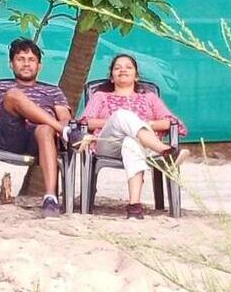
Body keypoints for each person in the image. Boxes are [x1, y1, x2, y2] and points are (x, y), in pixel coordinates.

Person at [0, 39, 77, 217]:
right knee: (13, 95)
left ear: (39, 65)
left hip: (42, 140)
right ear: (11, 64)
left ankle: (50, 198)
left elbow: (65, 117)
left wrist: (62, 125)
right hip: (10, 136)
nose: (26, 64)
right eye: (21, 59)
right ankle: (63, 132)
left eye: (31, 59)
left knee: (45, 129)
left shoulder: (53, 91)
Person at [79, 53, 189, 220]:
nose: (123, 70)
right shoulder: (100, 96)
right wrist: (118, 121)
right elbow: (86, 122)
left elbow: (172, 123)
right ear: (111, 77)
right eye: (117, 68)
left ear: (136, 76)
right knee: (122, 115)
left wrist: (143, 124)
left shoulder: (149, 98)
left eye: (128, 67)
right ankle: (166, 152)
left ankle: (134, 207)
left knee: (131, 142)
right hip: (108, 144)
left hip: (142, 146)